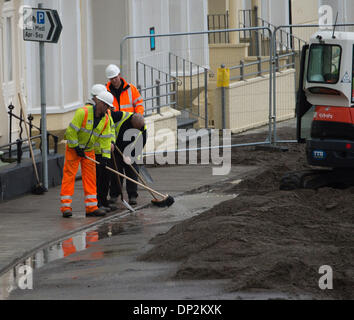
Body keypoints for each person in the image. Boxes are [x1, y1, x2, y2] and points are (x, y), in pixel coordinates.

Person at [60, 91, 115, 218]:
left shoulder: (106, 119)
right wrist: (76, 146)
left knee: (90, 178)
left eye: (109, 107)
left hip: (89, 150)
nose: (107, 109)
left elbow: (105, 140)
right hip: (74, 149)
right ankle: (65, 207)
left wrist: (105, 158)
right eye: (106, 106)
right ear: (100, 103)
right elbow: (71, 132)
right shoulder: (83, 112)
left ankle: (91, 207)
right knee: (69, 176)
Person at [109, 111, 147, 205]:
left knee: (133, 172)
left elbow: (141, 144)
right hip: (116, 148)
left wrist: (131, 156)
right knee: (116, 172)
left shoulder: (143, 128)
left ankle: (132, 196)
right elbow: (106, 122)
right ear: (131, 122)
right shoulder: (120, 116)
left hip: (130, 151)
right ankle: (114, 195)